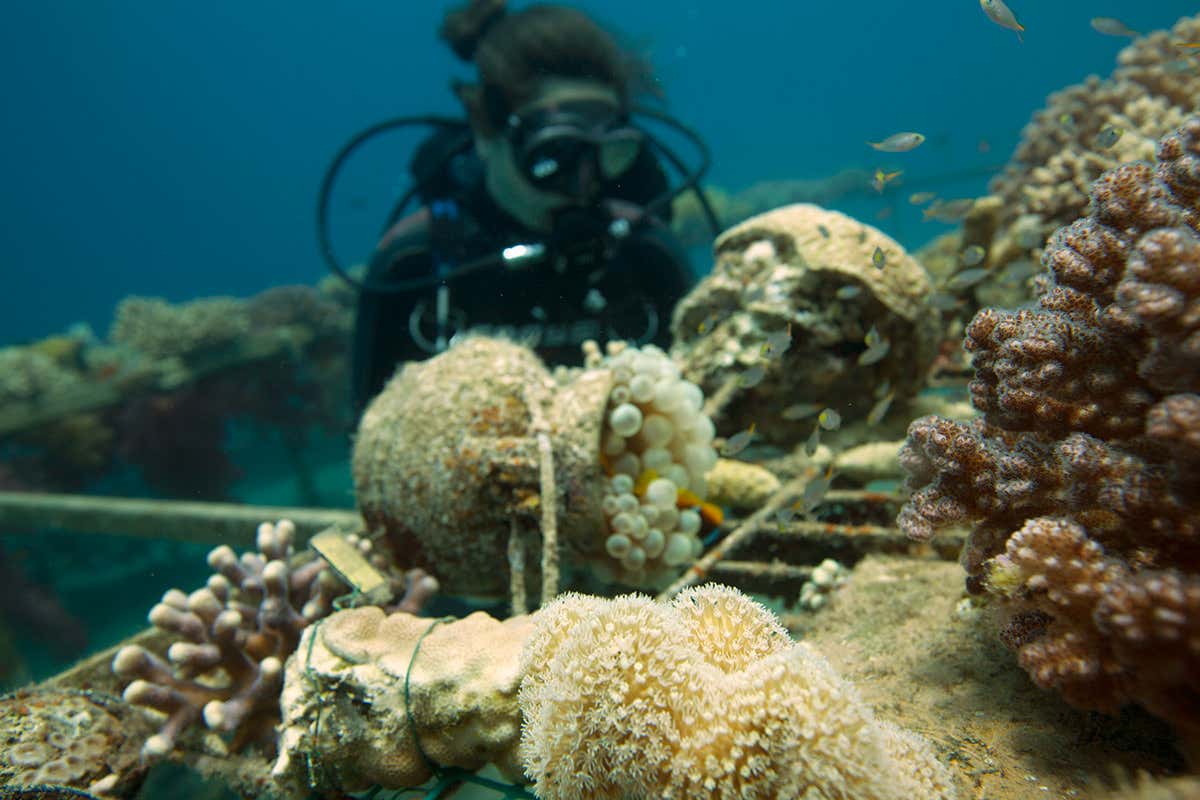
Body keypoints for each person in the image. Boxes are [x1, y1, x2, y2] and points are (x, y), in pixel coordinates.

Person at [349, 0, 706, 412]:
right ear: (485, 130)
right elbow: (368, 430)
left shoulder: (648, 255)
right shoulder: (412, 266)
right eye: (554, 155)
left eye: (610, 154)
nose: (583, 183)